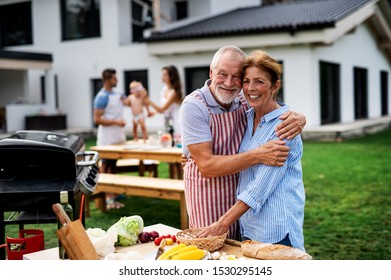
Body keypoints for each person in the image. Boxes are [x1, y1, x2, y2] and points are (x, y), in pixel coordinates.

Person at [179, 46, 306, 240]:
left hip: (253, 212)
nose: (229, 83)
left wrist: (300, 117)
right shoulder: (194, 106)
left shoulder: (248, 104)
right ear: (211, 73)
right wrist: (258, 155)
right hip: (208, 197)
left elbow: (269, 106)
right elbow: (206, 166)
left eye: (237, 77)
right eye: (222, 74)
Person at [93, 68, 127, 209]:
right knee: (105, 166)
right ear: (107, 80)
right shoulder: (101, 97)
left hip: (118, 136)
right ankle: (107, 197)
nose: (117, 80)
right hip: (106, 138)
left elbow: (129, 102)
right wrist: (116, 122)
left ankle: (113, 193)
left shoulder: (118, 93)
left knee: (114, 165)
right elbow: (97, 119)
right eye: (114, 79)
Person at [146, 65, 184, 178]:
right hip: (167, 124)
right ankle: (173, 182)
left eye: (165, 74)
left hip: (177, 125)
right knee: (169, 157)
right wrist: (153, 112)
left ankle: (182, 184)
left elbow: (163, 109)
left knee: (179, 157)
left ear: (171, 76)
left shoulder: (175, 91)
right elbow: (164, 108)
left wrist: (147, 100)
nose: (162, 76)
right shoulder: (164, 89)